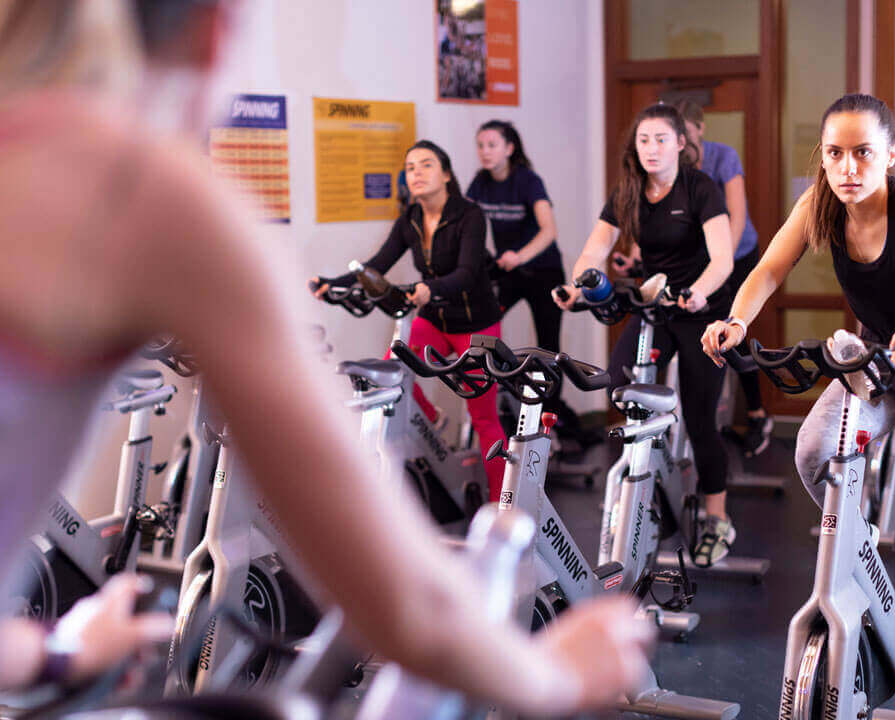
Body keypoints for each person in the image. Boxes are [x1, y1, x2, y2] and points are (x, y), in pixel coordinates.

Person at [0, 2, 649, 718]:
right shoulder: (137, 188)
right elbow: (409, 614)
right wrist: (556, 674)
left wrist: (57, 650)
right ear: (215, 29)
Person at [701, 93, 895, 720]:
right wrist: (735, 320)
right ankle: (870, 576)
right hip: (882, 366)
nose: (848, 167)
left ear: (890, 155)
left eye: (863, 153)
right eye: (835, 153)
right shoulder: (819, 205)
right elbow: (769, 270)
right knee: (812, 455)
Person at [552, 102, 736, 566]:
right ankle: (655, 477)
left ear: (680, 144)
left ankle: (717, 518)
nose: (651, 148)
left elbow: (723, 260)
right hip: (655, 306)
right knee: (618, 385)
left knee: (699, 419)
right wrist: (578, 287)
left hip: (701, 312)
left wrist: (696, 293)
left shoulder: (701, 188)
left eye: (660, 139)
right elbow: (595, 250)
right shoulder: (628, 191)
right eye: (643, 140)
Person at [313, 139, 508, 502]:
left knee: (483, 415)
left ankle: (503, 502)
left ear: (446, 174)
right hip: (433, 319)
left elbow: (468, 272)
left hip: (476, 324)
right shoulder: (411, 219)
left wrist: (427, 289)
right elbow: (377, 265)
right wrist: (331, 284)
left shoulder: (470, 215)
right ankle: (432, 418)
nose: (416, 173)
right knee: (392, 376)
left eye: (426, 165)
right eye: (410, 167)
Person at [465, 119, 594, 447]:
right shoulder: (480, 183)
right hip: (510, 273)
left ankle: (549, 424)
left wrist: (520, 256)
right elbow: (467, 222)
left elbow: (549, 230)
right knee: (484, 328)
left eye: (492, 145)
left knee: (549, 348)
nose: (485, 152)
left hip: (543, 273)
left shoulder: (528, 180)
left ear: (509, 149)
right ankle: (511, 395)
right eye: (480, 145)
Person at [673, 98, 773, 457]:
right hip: (702, 258)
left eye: (685, 131)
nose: (681, 139)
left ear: (700, 129)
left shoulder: (723, 157)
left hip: (739, 251)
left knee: (735, 330)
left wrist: (723, 262)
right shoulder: (676, 163)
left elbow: (737, 214)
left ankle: (757, 414)